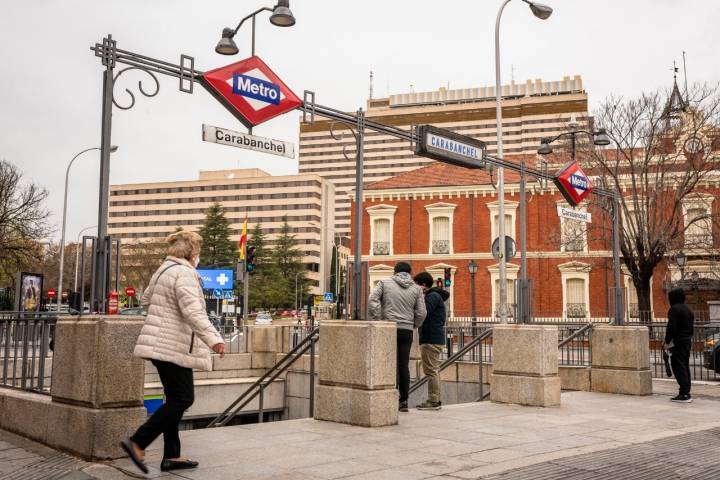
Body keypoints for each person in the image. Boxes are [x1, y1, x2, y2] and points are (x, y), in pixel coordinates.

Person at [120, 231, 225, 474]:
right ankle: (137, 442)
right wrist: (214, 340)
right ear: (191, 252)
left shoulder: (164, 269)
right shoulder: (185, 273)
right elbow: (193, 312)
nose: (198, 256)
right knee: (183, 399)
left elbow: (146, 299)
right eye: (197, 251)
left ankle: (172, 455)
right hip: (172, 345)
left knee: (173, 400)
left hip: (161, 345)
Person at [368, 262, 426, 412]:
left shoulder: (384, 283)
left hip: (389, 327)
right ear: (410, 272)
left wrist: (379, 319)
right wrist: (413, 324)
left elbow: (372, 300)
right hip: (406, 330)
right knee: (404, 365)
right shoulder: (417, 289)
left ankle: (390, 396)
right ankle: (404, 401)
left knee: (390, 363)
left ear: (395, 272)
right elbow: (422, 312)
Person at [413, 272, 449, 411]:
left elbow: (423, 312)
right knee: (432, 370)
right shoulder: (434, 296)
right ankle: (435, 399)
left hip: (431, 338)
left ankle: (434, 401)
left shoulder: (432, 297)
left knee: (431, 371)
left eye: (416, 284)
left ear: (423, 285)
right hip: (433, 338)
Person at [664, 288, 694, 403]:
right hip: (687, 342)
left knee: (678, 367)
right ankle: (685, 391)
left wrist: (667, 342)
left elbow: (671, 328)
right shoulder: (688, 309)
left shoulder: (674, 310)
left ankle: (684, 393)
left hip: (678, 343)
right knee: (685, 366)